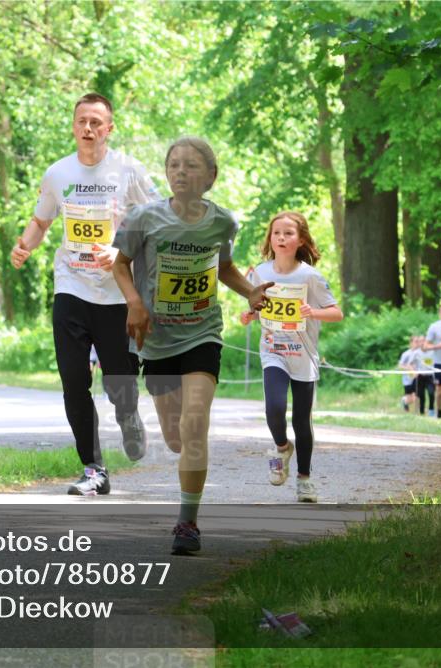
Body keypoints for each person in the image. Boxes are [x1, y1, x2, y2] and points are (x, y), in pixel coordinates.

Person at [113, 136, 270, 554]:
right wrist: (134, 304)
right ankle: (178, 454)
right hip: (158, 341)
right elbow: (120, 265)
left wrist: (250, 292)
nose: (182, 172)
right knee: (175, 437)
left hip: (203, 333)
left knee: (195, 420)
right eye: (175, 165)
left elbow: (224, 267)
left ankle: (187, 523)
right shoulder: (142, 218)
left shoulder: (223, 222)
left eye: (192, 166)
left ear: (211, 177)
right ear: (167, 173)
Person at [11, 92, 159, 495]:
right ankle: (94, 468)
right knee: (74, 380)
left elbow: (158, 220)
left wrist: (121, 249)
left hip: (117, 293)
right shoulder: (58, 174)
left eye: (97, 122)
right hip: (71, 287)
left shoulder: (129, 170)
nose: (89, 129)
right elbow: (41, 221)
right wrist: (25, 244)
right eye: (82, 121)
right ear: (73, 126)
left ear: (109, 127)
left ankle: (129, 416)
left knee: (119, 385)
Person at [239, 211, 342, 500]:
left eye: (288, 234)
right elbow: (253, 305)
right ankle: (282, 448)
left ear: (301, 240)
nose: (281, 238)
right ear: (269, 239)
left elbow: (337, 312)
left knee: (301, 421)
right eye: (276, 233)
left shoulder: (310, 276)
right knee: (274, 406)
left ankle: (304, 478)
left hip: (303, 355)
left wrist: (314, 312)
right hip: (273, 350)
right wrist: (248, 314)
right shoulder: (260, 272)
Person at [413, 335, 436, 416]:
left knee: (431, 393)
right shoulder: (416, 353)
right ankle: (422, 412)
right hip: (420, 376)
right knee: (421, 395)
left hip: (430, 376)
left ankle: (431, 410)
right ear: (418, 343)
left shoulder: (432, 351)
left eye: (423, 340)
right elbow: (411, 364)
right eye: (420, 341)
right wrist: (413, 371)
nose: (422, 343)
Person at [398, 335, 418, 412]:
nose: (417, 343)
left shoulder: (419, 353)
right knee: (411, 399)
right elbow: (400, 365)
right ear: (411, 343)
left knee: (416, 397)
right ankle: (404, 401)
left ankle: (418, 412)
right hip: (407, 379)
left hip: (416, 378)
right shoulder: (406, 354)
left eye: (418, 342)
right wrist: (410, 369)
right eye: (415, 342)